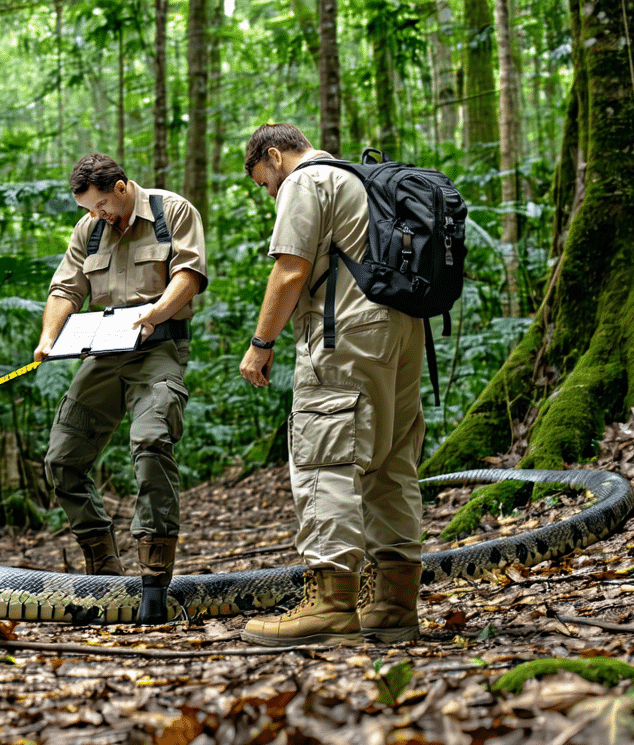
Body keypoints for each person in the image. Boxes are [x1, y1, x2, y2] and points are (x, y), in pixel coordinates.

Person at [237, 123, 426, 647]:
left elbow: (290, 271)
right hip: (403, 329)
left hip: (345, 334)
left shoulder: (306, 181)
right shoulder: (361, 178)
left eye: (264, 184)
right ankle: (393, 603)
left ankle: (330, 605)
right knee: (390, 459)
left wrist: (261, 342)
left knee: (327, 457)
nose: (270, 194)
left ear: (274, 157)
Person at [33, 153, 208, 624]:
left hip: (158, 348)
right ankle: (103, 566)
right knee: (62, 460)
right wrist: (49, 337)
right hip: (102, 353)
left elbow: (188, 276)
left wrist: (153, 314)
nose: (96, 216)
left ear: (123, 187)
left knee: (151, 441)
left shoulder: (173, 212)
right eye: (88, 209)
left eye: (101, 205)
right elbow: (64, 291)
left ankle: (154, 580)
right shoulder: (87, 230)